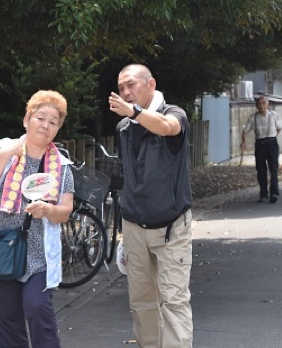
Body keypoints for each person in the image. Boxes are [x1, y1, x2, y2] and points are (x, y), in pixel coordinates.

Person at [0, 90, 74, 348]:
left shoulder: (61, 165)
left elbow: (65, 209)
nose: (46, 125)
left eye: (53, 122)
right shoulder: (3, 147)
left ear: (58, 129)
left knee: (37, 307)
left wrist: (48, 211)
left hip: (38, 254)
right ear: (26, 119)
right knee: (8, 322)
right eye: (40, 117)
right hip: (2, 248)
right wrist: (7, 154)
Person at [109, 64, 193, 348]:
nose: (126, 92)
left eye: (131, 85)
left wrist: (134, 112)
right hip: (134, 227)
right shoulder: (123, 127)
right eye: (121, 88)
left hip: (171, 227)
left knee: (174, 301)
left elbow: (168, 128)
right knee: (142, 303)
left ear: (151, 84)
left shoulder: (174, 114)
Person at [241, 95, 282, 203]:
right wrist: (243, 142)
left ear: (268, 104)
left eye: (264, 103)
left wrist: (272, 138)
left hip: (272, 143)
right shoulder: (253, 117)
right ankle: (263, 194)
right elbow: (245, 130)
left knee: (273, 169)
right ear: (256, 105)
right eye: (259, 104)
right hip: (260, 144)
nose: (262, 106)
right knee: (261, 170)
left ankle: (274, 193)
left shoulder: (273, 115)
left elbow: (279, 128)